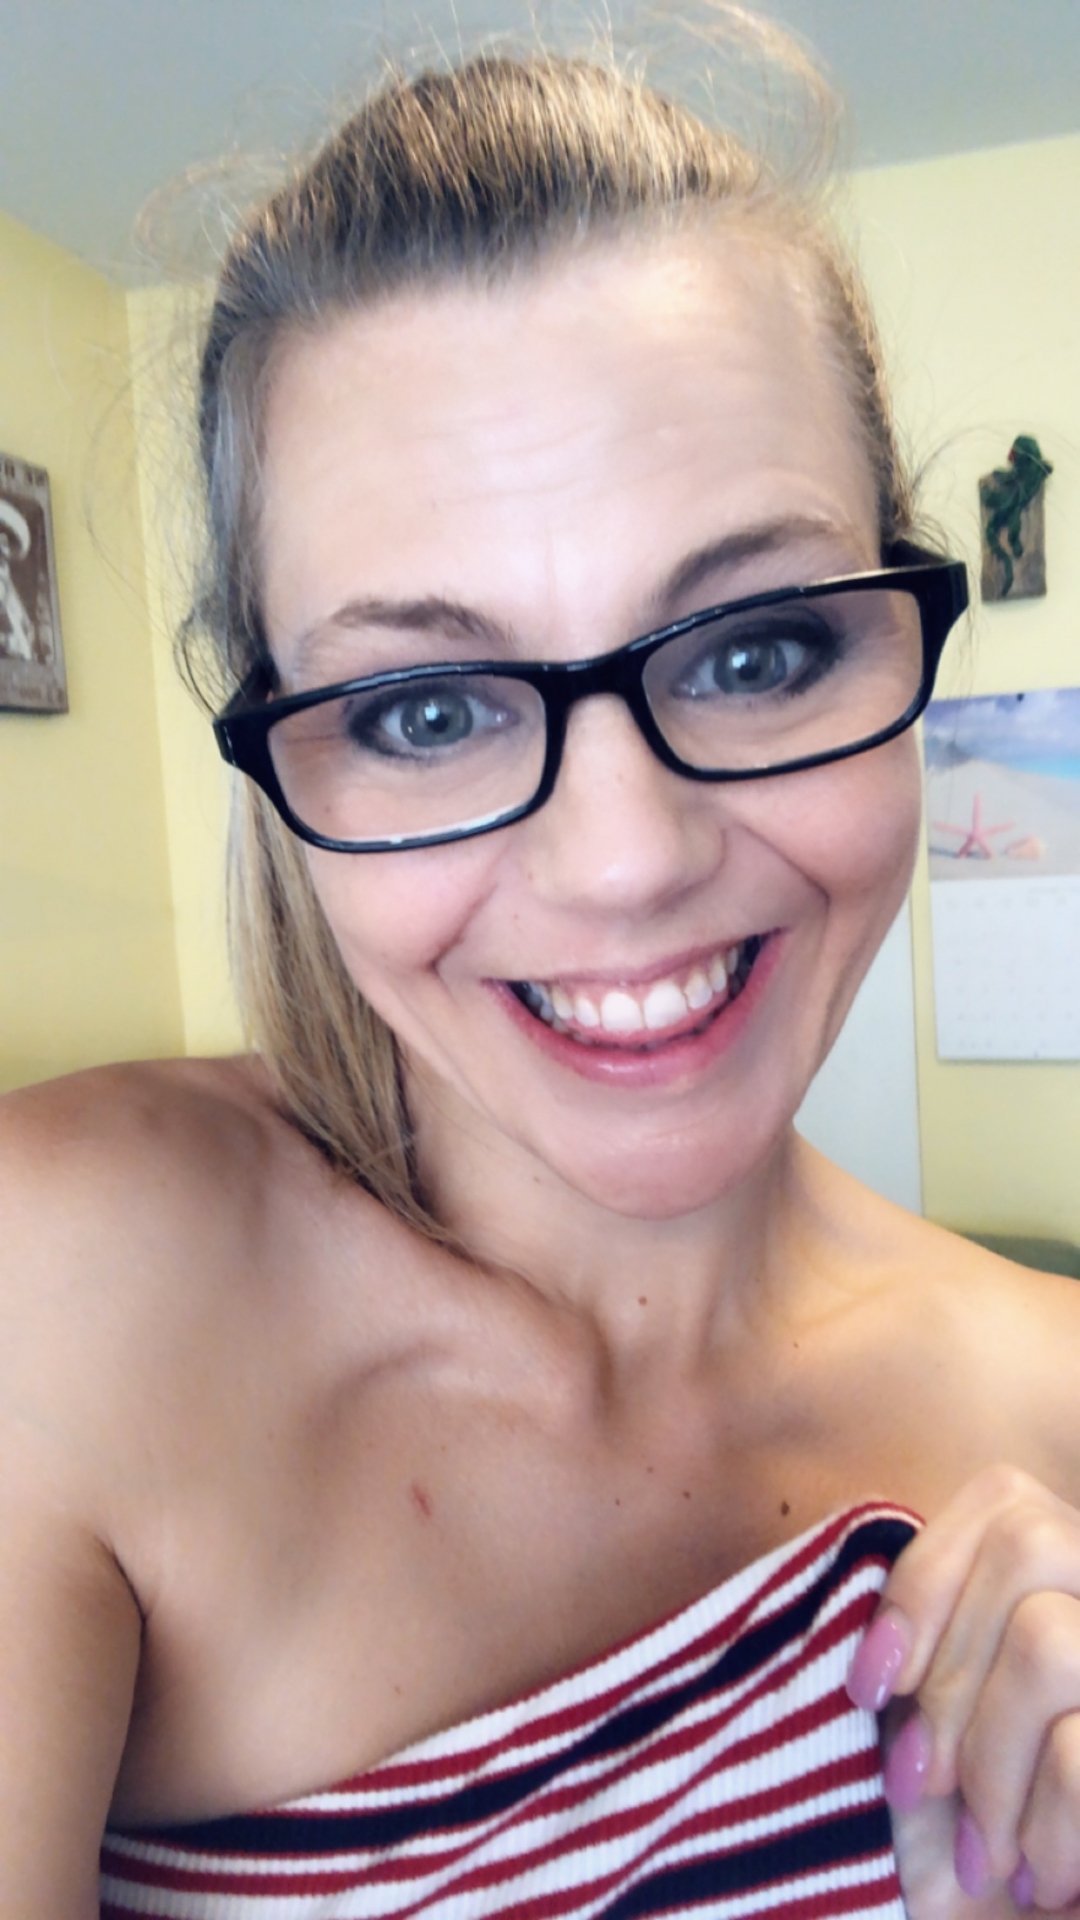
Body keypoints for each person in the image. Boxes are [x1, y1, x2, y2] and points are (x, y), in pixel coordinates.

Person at [0, 15, 1077, 1918]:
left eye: (753, 651)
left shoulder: (1057, 1413)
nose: (628, 859)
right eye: (426, 710)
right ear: (277, 763)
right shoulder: (63, 1291)